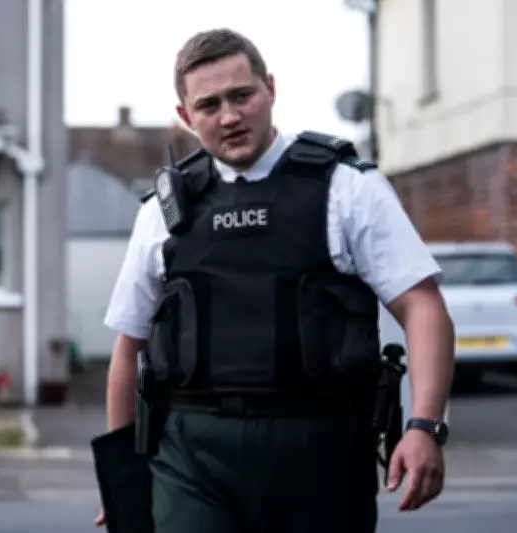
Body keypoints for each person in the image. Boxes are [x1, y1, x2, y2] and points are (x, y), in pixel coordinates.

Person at [95, 27, 455, 533]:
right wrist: (122, 478)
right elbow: (127, 347)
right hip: (193, 456)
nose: (229, 117)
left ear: (270, 88)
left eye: (241, 95)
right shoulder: (164, 211)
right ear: (185, 116)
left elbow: (422, 305)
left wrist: (425, 426)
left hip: (322, 451)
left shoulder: (346, 187)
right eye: (209, 105)